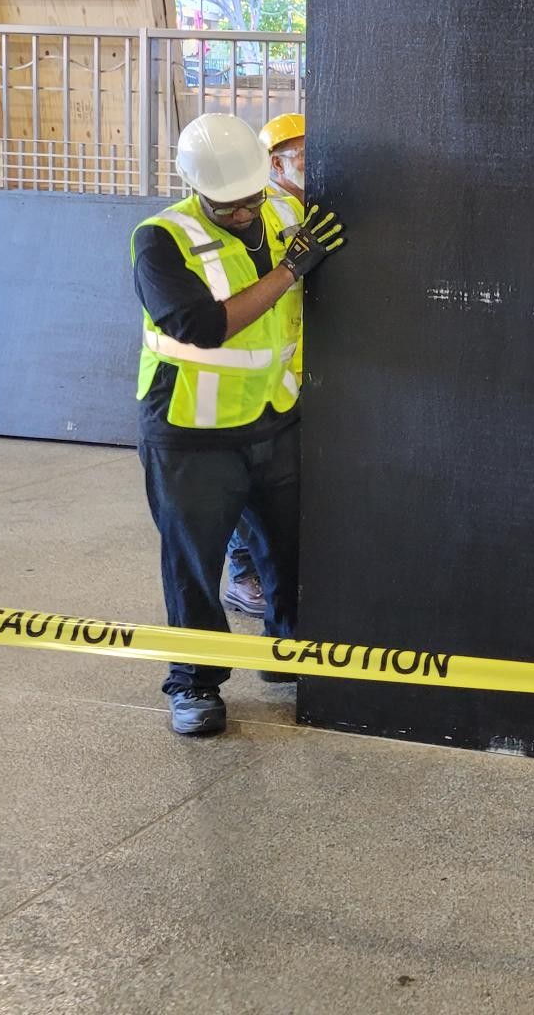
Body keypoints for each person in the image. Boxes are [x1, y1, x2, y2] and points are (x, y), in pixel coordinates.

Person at [132, 111, 343, 736]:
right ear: (194, 187)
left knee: (290, 548)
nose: (246, 212)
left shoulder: (282, 214)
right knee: (194, 563)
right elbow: (200, 326)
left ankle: (286, 653)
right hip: (191, 432)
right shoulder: (161, 239)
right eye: (229, 206)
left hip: (273, 416)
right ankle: (194, 683)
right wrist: (289, 272)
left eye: (252, 198)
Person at [219, 112, 308, 620]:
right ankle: (243, 575)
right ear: (275, 164)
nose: (311, 164)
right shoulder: (271, 209)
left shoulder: (300, 205)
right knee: (246, 490)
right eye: (301, 156)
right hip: (250, 372)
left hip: (285, 368)